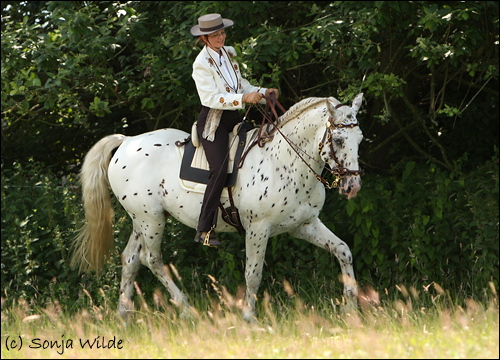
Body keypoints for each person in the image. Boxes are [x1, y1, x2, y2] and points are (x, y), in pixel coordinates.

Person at [190, 13, 279, 246]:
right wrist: (243, 98)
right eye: (215, 34)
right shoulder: (200, 64)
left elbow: (243, 86)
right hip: (214, 122)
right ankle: (204, 229)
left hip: (234, 119)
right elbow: (210, 98)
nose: (220, 37)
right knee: (219, 170)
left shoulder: (229, 53)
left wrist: (263, 93)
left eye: (222, 32)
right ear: (205, 38)